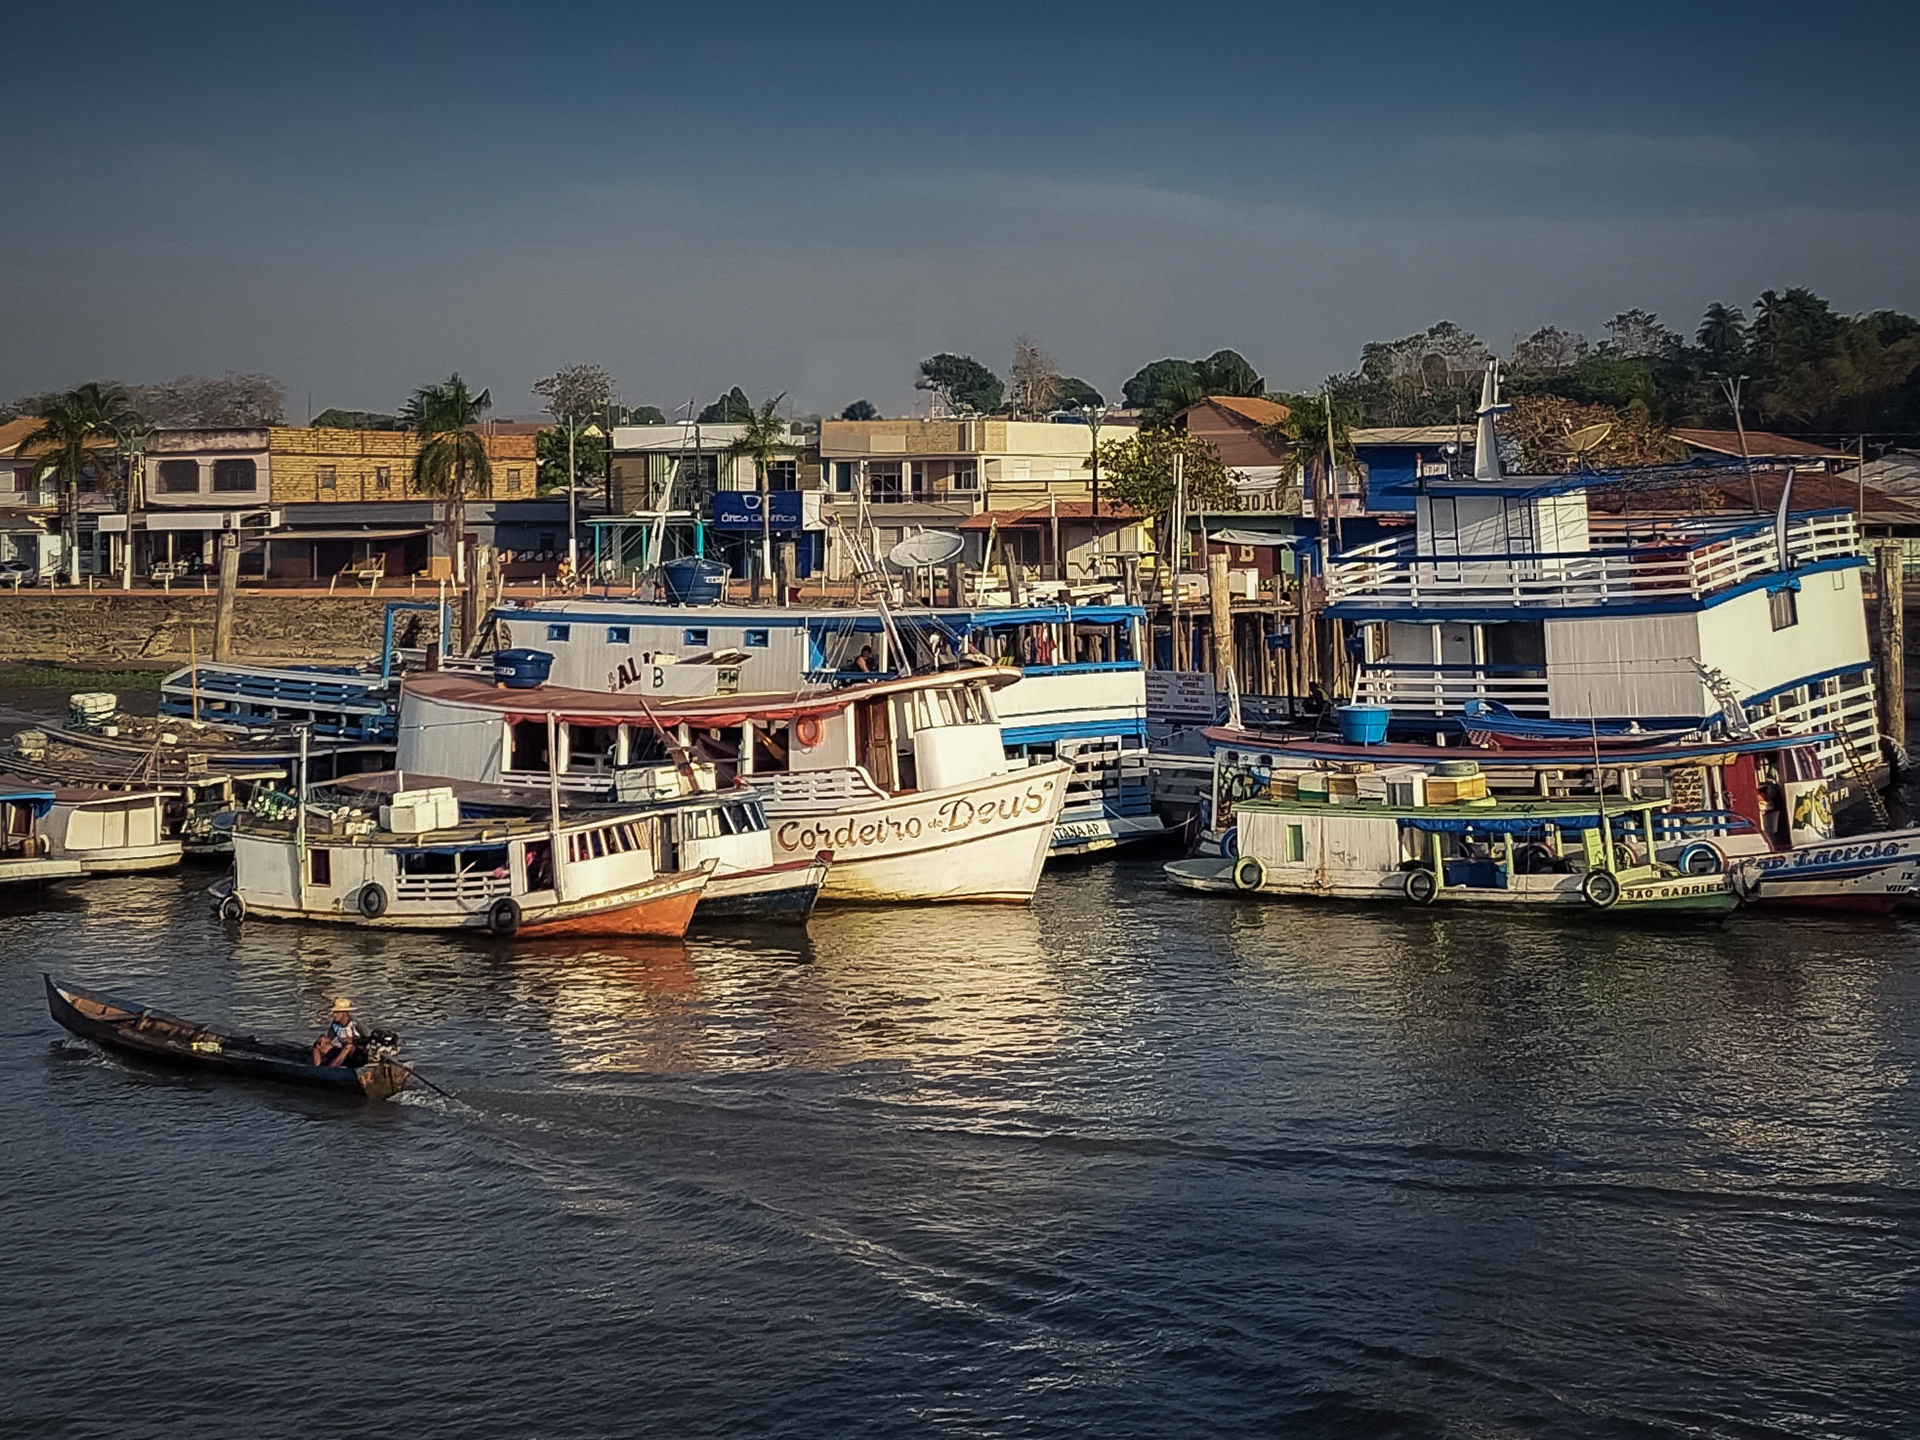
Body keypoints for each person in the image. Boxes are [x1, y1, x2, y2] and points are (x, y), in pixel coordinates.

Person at [310, 998, 362, 1068]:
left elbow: (366, 1041)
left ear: (344, 1013)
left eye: (336, 1012)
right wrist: (322, 1039)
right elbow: (329, 1039)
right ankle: (317, 1068)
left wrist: (353, 1041)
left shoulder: (354, 1024)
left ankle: (331, 1068)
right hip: (342, 1050)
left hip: (355, 1054)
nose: (334, 1014)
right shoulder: (335, 1024)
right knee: (319, 1045)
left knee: (349, 1046)